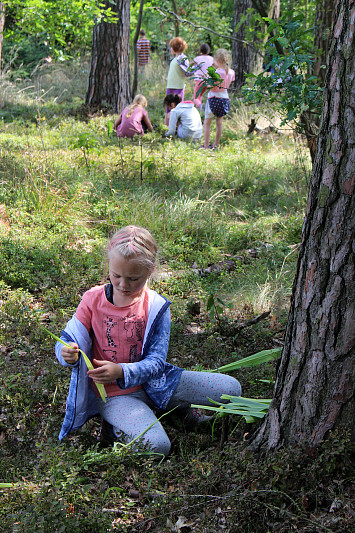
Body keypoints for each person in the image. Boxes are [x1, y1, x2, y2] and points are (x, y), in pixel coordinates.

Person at [55, 226, 242, 457]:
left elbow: (156, 363)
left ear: (150, 270)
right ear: (108, 267)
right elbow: (67, 339)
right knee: (157, 447)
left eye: (134, 278)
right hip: (114, 396)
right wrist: (66, 353)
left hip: (156, 383)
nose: (123, 285)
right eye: (116, 276)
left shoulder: (155, 307)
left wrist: (121, 371)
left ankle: (171, 411)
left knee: (231, 389)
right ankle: (117, 429)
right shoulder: (92, 300)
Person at [201, 49, 235, 150]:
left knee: (207, 123)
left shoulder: (216, 73)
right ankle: (216, 144)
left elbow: (211, 87)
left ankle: (206, 145)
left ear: (216, 60)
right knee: (219, 122)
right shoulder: (231, 72)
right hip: (224, 99)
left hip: (213, 98)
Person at [165, 37, 190, 126]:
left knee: (178, 108)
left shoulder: (182, 59)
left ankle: (177, 127)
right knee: (168, 107)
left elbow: (187, 72)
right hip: (170, 86)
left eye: (172, 47)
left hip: (178, 87)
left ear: (175, 48)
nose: (170, 49)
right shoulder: (174, 59)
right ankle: (167, 127)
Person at [192, 43, 214, 109]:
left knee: (195, 98)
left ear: (200, 51)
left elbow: (191, 65)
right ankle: (199, 109)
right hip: (207, 80)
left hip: (199, 80)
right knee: (200, 95)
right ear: (208, 51)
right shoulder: (211, 59)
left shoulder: (197, 58)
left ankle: (201, 106)